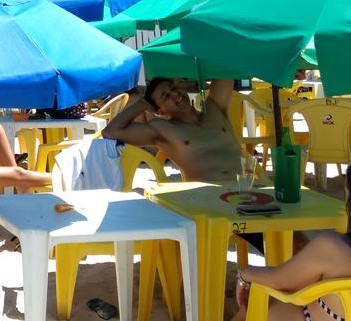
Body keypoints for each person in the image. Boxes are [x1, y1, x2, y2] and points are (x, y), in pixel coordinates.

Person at [232, 166, 351, 321]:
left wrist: (244, 275)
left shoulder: (333, 248)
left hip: (304, 315)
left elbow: (278, 281)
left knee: (252, 303)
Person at [102, 77, 241, 182]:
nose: (175, 94)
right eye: (166, 96)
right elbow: (110, 132)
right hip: (208, 198)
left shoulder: (215, 108)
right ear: (160, 111)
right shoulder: (164, 130)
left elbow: (224, 70)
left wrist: (182, 82)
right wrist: (143, 103)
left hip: (246, 191)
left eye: (173, 88)